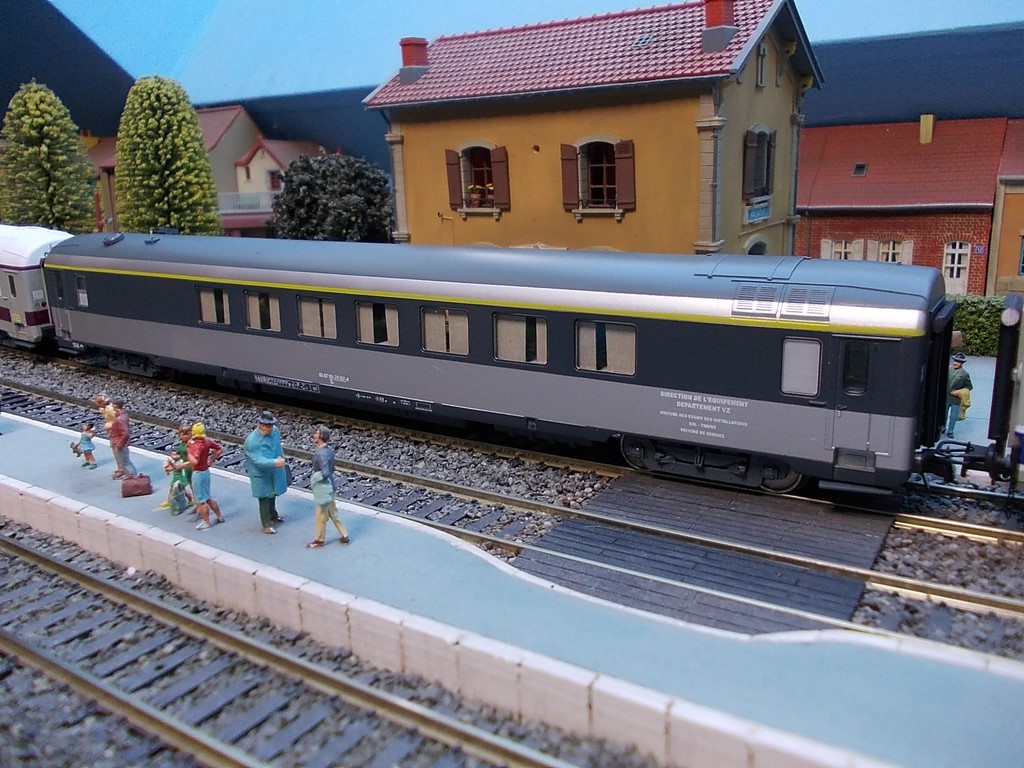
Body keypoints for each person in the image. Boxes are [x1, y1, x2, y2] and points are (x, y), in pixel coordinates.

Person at [243, 410, 287, 534]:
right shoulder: (252, 441)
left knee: (273, 494)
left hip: (273, 471)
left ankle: (273, 515)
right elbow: (257, 460)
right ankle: (266, 524)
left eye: (271, 425)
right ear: (261, 425)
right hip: (260, 474)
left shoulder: (275, 432)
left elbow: (278, 447)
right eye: (267, 426)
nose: (270, 428)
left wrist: (281, 457)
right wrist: (274, 462)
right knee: (264, 498)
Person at [306, 425, 350, 548]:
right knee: (333, 512)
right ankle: (344, 535)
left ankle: (319, 539)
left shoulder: (321, 453)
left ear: (321, 436)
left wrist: (315, 478)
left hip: (323, 489)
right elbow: (332, 468)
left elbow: (325, 473)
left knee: (320, 515)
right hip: (331, 486)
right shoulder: (329, 450)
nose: (314, 435)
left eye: (317, 433)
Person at [187, 422, 224, 530]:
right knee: (208, 497)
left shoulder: (196, 446)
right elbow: (219, 449)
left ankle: (206, 521)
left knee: (201, 500)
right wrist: (211, 459)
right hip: (206, 471)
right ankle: (219, 516)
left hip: (198, 473)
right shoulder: (207, 441)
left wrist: (189, 451)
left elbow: (195, 461)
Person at [160, 423, 195, 513]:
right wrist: (174, 456)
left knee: (188, 485)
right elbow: (180, 455)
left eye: (187, 434)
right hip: (183, 466)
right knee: (176, 485)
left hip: (189, 466)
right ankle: (171, 500)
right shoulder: (182, 444)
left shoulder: (191, 445)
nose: (184, 436)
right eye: (182, 434)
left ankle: (194, 499)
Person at [108, 396, 138, 479]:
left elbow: (125, 433)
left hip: (119, 443)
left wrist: (119, 445)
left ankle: (133, 478)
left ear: (115, 406)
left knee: (125, 462)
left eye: (112, 404)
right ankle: (126, 474)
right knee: (122, 461)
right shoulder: (122, 415)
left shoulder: (120, 418)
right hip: (117, 441)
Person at [945, 352, 973, 439]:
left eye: (958, 362)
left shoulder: (964, 374)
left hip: (955, 399)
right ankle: (942, 427)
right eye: (955, 361)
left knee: (953, 416)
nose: (955, 363)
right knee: (943, 414)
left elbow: (969, 387)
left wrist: (959, 392)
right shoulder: (948, 370)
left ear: (962, 363)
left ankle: (950, 431)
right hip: (946, 397)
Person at [94, 392, 118, 473]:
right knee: (115, 450)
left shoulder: (110, 409)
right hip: (113, 430)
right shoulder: (107, 408)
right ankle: (120, 467)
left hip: (115, 430)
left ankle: (121, 468)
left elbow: (117, 420)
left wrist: (109, 426)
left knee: (117, 450)